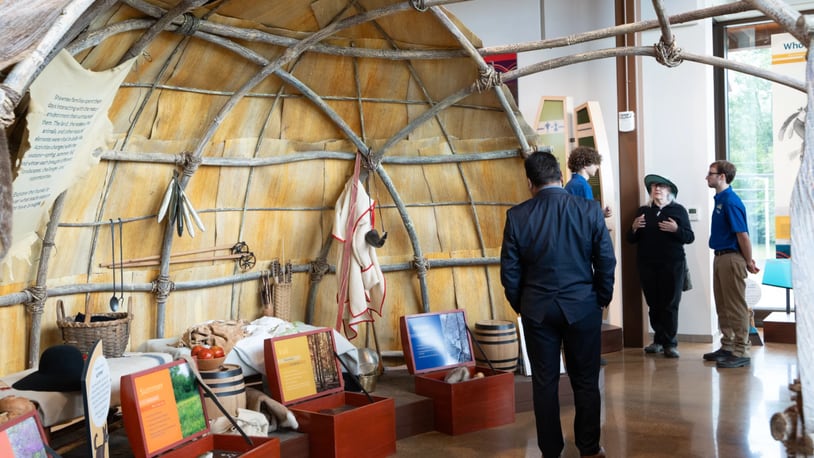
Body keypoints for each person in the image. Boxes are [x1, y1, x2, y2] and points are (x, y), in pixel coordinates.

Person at [501, 151, 616, 458]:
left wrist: (523, 306)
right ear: (561, 177)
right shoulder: (589, 210)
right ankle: (589, 448)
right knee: (586, 380)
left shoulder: (517, 216)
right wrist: (600, 300)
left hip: (538, 311)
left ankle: (551, 450)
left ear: (529, 182)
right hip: (583, 308)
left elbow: (510, 273)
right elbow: (605, 260)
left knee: (544, 383)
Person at [627, 174, 695, 358]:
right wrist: (633, 228)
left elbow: (689, 237)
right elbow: (631, 239)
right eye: (654, 186)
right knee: (653, 303)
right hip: (647, 264)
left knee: (670, 304)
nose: (657, 189)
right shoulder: (643, 211)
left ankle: (670, 343)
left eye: (661, 186)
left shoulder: (678, 210)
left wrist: (676, 230)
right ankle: (658, 340)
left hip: (672, 264)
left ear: (669, 191)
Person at [704, 160, 760, 368]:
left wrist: (748, 260)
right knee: (722, 304)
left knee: (735, 305)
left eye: (711, 173)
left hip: (732, 257)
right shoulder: (720, 199)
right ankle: (727, 345)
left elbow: (742, 235)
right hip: (720, 257)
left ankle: (742, 350)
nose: (707, 177)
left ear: (722, 177)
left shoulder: (730, 201)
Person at [564, 145, 612, 218]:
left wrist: (601, 213)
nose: (598, 167)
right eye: (595, 163)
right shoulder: (582, 186)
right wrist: (601, 215)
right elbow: (589, 218)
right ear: (585, 164)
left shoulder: (571, 184)